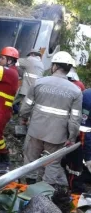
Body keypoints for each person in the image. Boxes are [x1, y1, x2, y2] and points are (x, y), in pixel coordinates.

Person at [19, 51, 82, 186]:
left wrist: (23, 119)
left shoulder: (38, 83)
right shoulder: (76, 91)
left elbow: (26, 106)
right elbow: (75, 119)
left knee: (31, 160)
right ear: (69, 68)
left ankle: (28, 190)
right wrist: (71, 137)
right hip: (57, 136)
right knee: (52, 164)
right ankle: (44, 195)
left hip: (36, 130)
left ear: (54, 66)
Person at [61, 88, 91, 193]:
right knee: (75, 165)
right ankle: (75, 188)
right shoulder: (87, 97)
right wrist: (88, 157)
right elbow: (83, 130)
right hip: (80, 136)